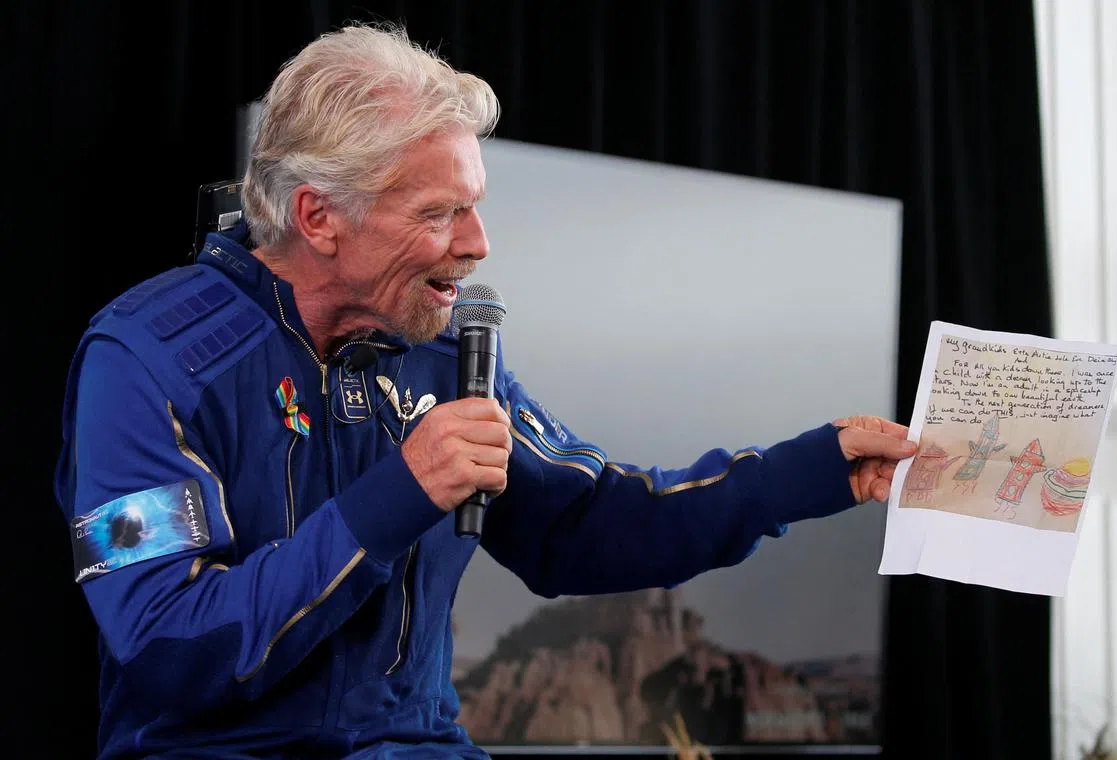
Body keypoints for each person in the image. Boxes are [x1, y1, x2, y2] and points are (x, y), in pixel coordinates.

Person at [53, 23, 917, 760]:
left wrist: (810, 472)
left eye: (473, 206)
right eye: (439, 213)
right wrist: (398, 495)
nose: (478, 244)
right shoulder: (145, 360)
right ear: (319, 217)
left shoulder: (444, 350)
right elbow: (169, 647)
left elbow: (586, 523)